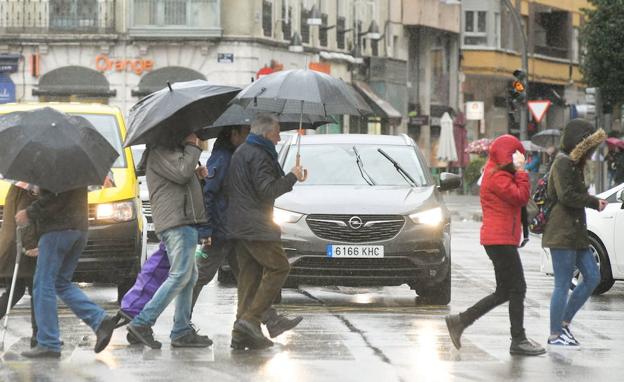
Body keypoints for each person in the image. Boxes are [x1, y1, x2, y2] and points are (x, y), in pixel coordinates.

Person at [192, 125, 302, 338]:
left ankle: (256, 325)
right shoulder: (223, 158)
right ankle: (181, 323)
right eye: (245, 134)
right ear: (233, 134)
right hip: (220, 233)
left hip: (235, 230)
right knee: (202, 276)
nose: (249, 138)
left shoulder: (240, 155)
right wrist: (206, 230)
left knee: (248, 277)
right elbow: (208, 194)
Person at [445, 135, 546, 356]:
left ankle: (460, 321)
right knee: (518, 288)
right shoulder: (497, 176)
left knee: (504, 291)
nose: (519, 160)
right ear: (507, 156)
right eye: (516, 156)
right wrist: (521, 172)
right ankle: (518, 339)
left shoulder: (498, 173)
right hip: (499, 240)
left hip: (500, 240)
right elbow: (520, 197)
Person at [225, 114, 305, 349]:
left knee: (249, 279)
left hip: (241, 224)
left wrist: (290, 176)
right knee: (280, 267)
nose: (279, 138)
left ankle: (239, 332)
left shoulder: (242, 151)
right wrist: (292, 177)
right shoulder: (260, 155)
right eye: (277, 132)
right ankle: (250, 320)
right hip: (256, 225)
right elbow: (266, 190)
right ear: (266, 133)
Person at [127, 132, 212, 349]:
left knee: (189, 276)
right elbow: (182, 174)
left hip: (183, 220)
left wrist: (198, 176)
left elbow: (182, 179)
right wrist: (193, 147)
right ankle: (143, 322)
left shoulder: (171, 151)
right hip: (177, 222)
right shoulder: (161, 150)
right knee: (180, 275)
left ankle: (181, 330)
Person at [15, 186, 117, 358]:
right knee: (60, 283)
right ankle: (100, 321)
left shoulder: (53, 162)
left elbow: (56, 198)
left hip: (57, 230)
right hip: (79, 228)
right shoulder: (74, 164)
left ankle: (48, 343)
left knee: (42, 284)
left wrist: (29, 213)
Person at [542, 120, 607, 346]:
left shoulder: (574, 165)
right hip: (561, 233)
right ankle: (555, 334)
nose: (591, 152)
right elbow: (566, 196)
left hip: (576, 233)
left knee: (593, 277)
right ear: (580, 143)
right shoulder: (561, 163)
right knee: (561, 284)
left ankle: (565, 323)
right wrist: (592, 201)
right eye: (589, 146)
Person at [0, 184, 39, 348]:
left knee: (15, 291)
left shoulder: (17, 185)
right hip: (23, 249)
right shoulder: (28, 188)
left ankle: (40, 334)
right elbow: (24, 220)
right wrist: (30, 245)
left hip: (11, 245)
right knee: (37, 291)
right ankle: (39, 335)